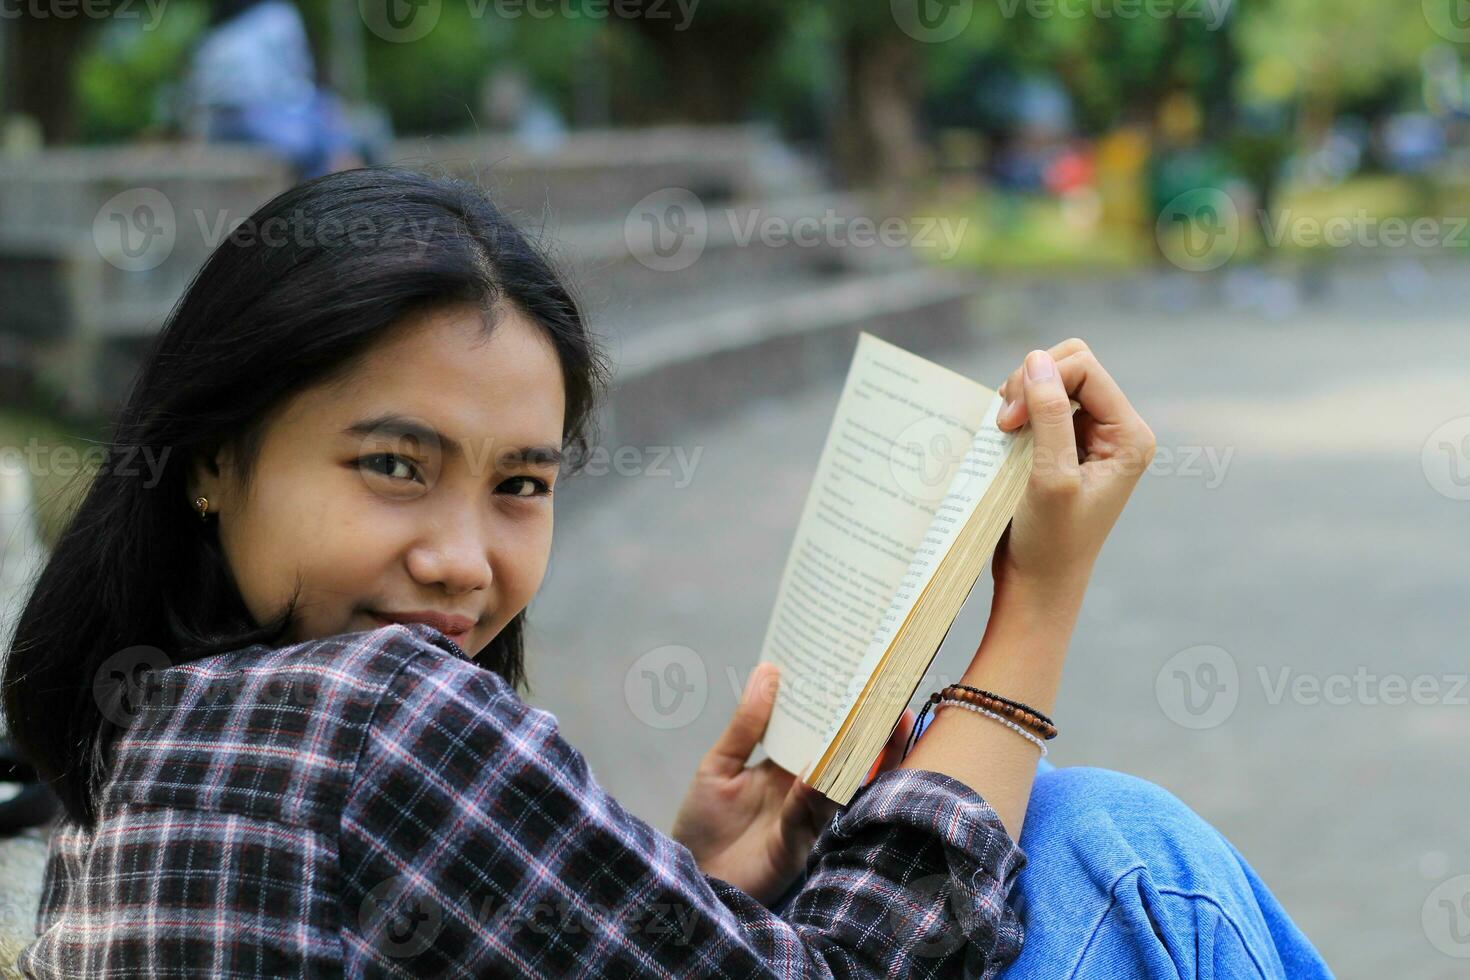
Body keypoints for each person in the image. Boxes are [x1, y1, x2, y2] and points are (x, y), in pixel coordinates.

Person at [1, 168, 1331, 977]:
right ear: (210, 459)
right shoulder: (373, 714)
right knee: (1115, 847)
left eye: (520, 483)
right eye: (393, 466)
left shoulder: (133, 739)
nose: (460, 560)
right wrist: (1030, 613)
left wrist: (672, 892)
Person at [181, 0, 365, 180]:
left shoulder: (219, 19)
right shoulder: (277, 15)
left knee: (324, 117)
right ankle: (334, 187)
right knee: (319, 132)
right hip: (254, 115)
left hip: (220, 123)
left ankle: (341, 172)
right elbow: (293, 82)